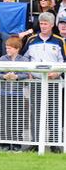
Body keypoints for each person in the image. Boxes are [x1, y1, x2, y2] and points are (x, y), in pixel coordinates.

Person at [22, 12, 64, 154]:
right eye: (41, 23)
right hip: (36, 82)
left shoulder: (59, 41)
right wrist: (29, 73)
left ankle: (54, 143)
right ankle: (35, 142)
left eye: (46, 23)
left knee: (54, 112)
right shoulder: (32, 40)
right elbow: (24, 59)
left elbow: (63, 61)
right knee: (35, 113)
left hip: (53, 82)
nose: (43, 26)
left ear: (52, 25)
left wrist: (57, 73)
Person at [0, 36, 29, 152]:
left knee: (18, 119)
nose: (7, 50)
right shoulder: (2, 59)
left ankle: (16, 144)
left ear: (17, 48)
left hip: (18, 94)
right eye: (6, 48)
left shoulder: (24, 60)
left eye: (9, 48)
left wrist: (16, 77)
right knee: (4, 118)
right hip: (4, 93)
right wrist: (4, 76)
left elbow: (26, 74)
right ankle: (4, 143)